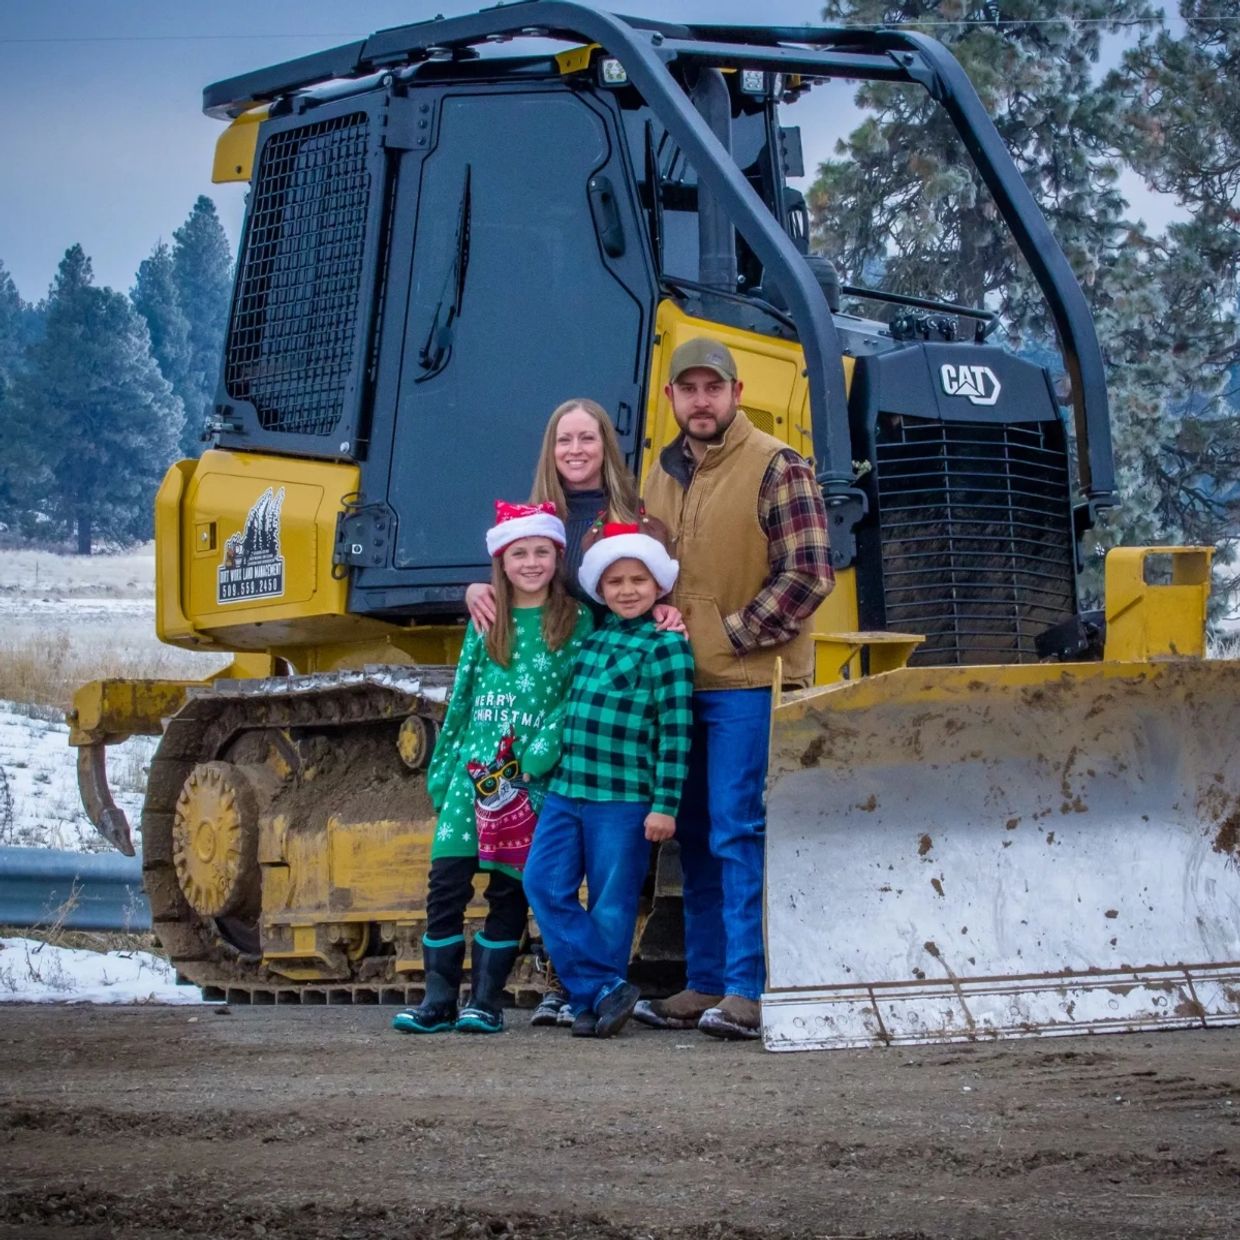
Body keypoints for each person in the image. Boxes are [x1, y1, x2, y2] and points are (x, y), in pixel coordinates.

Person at [635, 337, 834, 1040]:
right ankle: (706, 982)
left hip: (746, 683)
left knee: (735, 830)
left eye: (711, 389)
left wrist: (729, 633)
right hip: (674, 685)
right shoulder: (654, 478)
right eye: (687, 390)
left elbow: (808, 573)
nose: (700, 401)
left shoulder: (778, 466)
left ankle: (746, 990)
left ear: (735, 393)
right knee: (689, 835)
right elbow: (636, 572)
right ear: (671, 400)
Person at [466, 397, 682, 1027]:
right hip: (549, 689)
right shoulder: (538, 515)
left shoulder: (631, 515)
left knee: (609, 884)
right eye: (565, 440)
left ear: (605, 446)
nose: (577, 450)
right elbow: (513, 568)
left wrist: (668, 608)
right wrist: (480, 586)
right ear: (550, 449)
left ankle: (581, 987)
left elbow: (653, 574)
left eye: (589, 438)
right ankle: (591, 987)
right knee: (548, 876)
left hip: (604, 701)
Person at [392, 501, 591, 1036]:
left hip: (527, 782)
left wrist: (547, 742)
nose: (530, 563)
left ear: (557, 556)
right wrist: (444, 764)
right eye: (518, 553)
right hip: (470, 775)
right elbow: (462, 695)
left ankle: (486, 1000)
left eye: (541, 552)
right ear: (501, 562)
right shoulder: (486, 619)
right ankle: (437, 999)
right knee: (447, 885)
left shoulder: (576, 621)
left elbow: (575, 696)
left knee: (508, 890)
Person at [523, 522, 694, 1039]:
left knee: (612, 901)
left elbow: (676, 730)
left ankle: (592, 1002)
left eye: (638, 580)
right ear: (600, 588)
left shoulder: (666, 647)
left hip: (622, 797)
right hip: (567, 789)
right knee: (543, 882)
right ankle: (600, 988)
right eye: (615, 582)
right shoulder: (593, 640)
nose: (627, 590)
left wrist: (665, 804)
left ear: (658, 586)